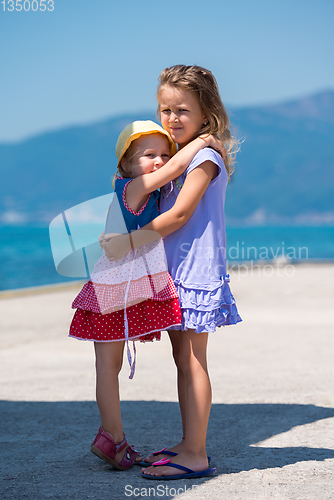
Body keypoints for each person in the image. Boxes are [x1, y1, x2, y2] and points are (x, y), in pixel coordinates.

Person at [101, 65, 242, 480]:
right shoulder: (182, 155)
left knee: (194, 360)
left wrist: (130, 242)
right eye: (165, 110)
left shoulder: (205, 157)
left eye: (183, 110)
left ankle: (196, 453)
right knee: (182, 358)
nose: (172, 118)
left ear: (206, 112)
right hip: (173, 272)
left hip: (195, 272)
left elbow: (180, 214)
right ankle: (187, 442)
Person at [69, 120, 222, 471]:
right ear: (126, 164)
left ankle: (113, 438)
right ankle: (113, 438)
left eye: (163, 152)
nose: (159, 160)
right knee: (108, 366)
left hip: (115, 284)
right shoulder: (133, 187)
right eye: (148, 155)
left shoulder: (140, 191)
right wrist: (204, 141)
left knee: (109, 365)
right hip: (116, 288)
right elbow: (176, 169)